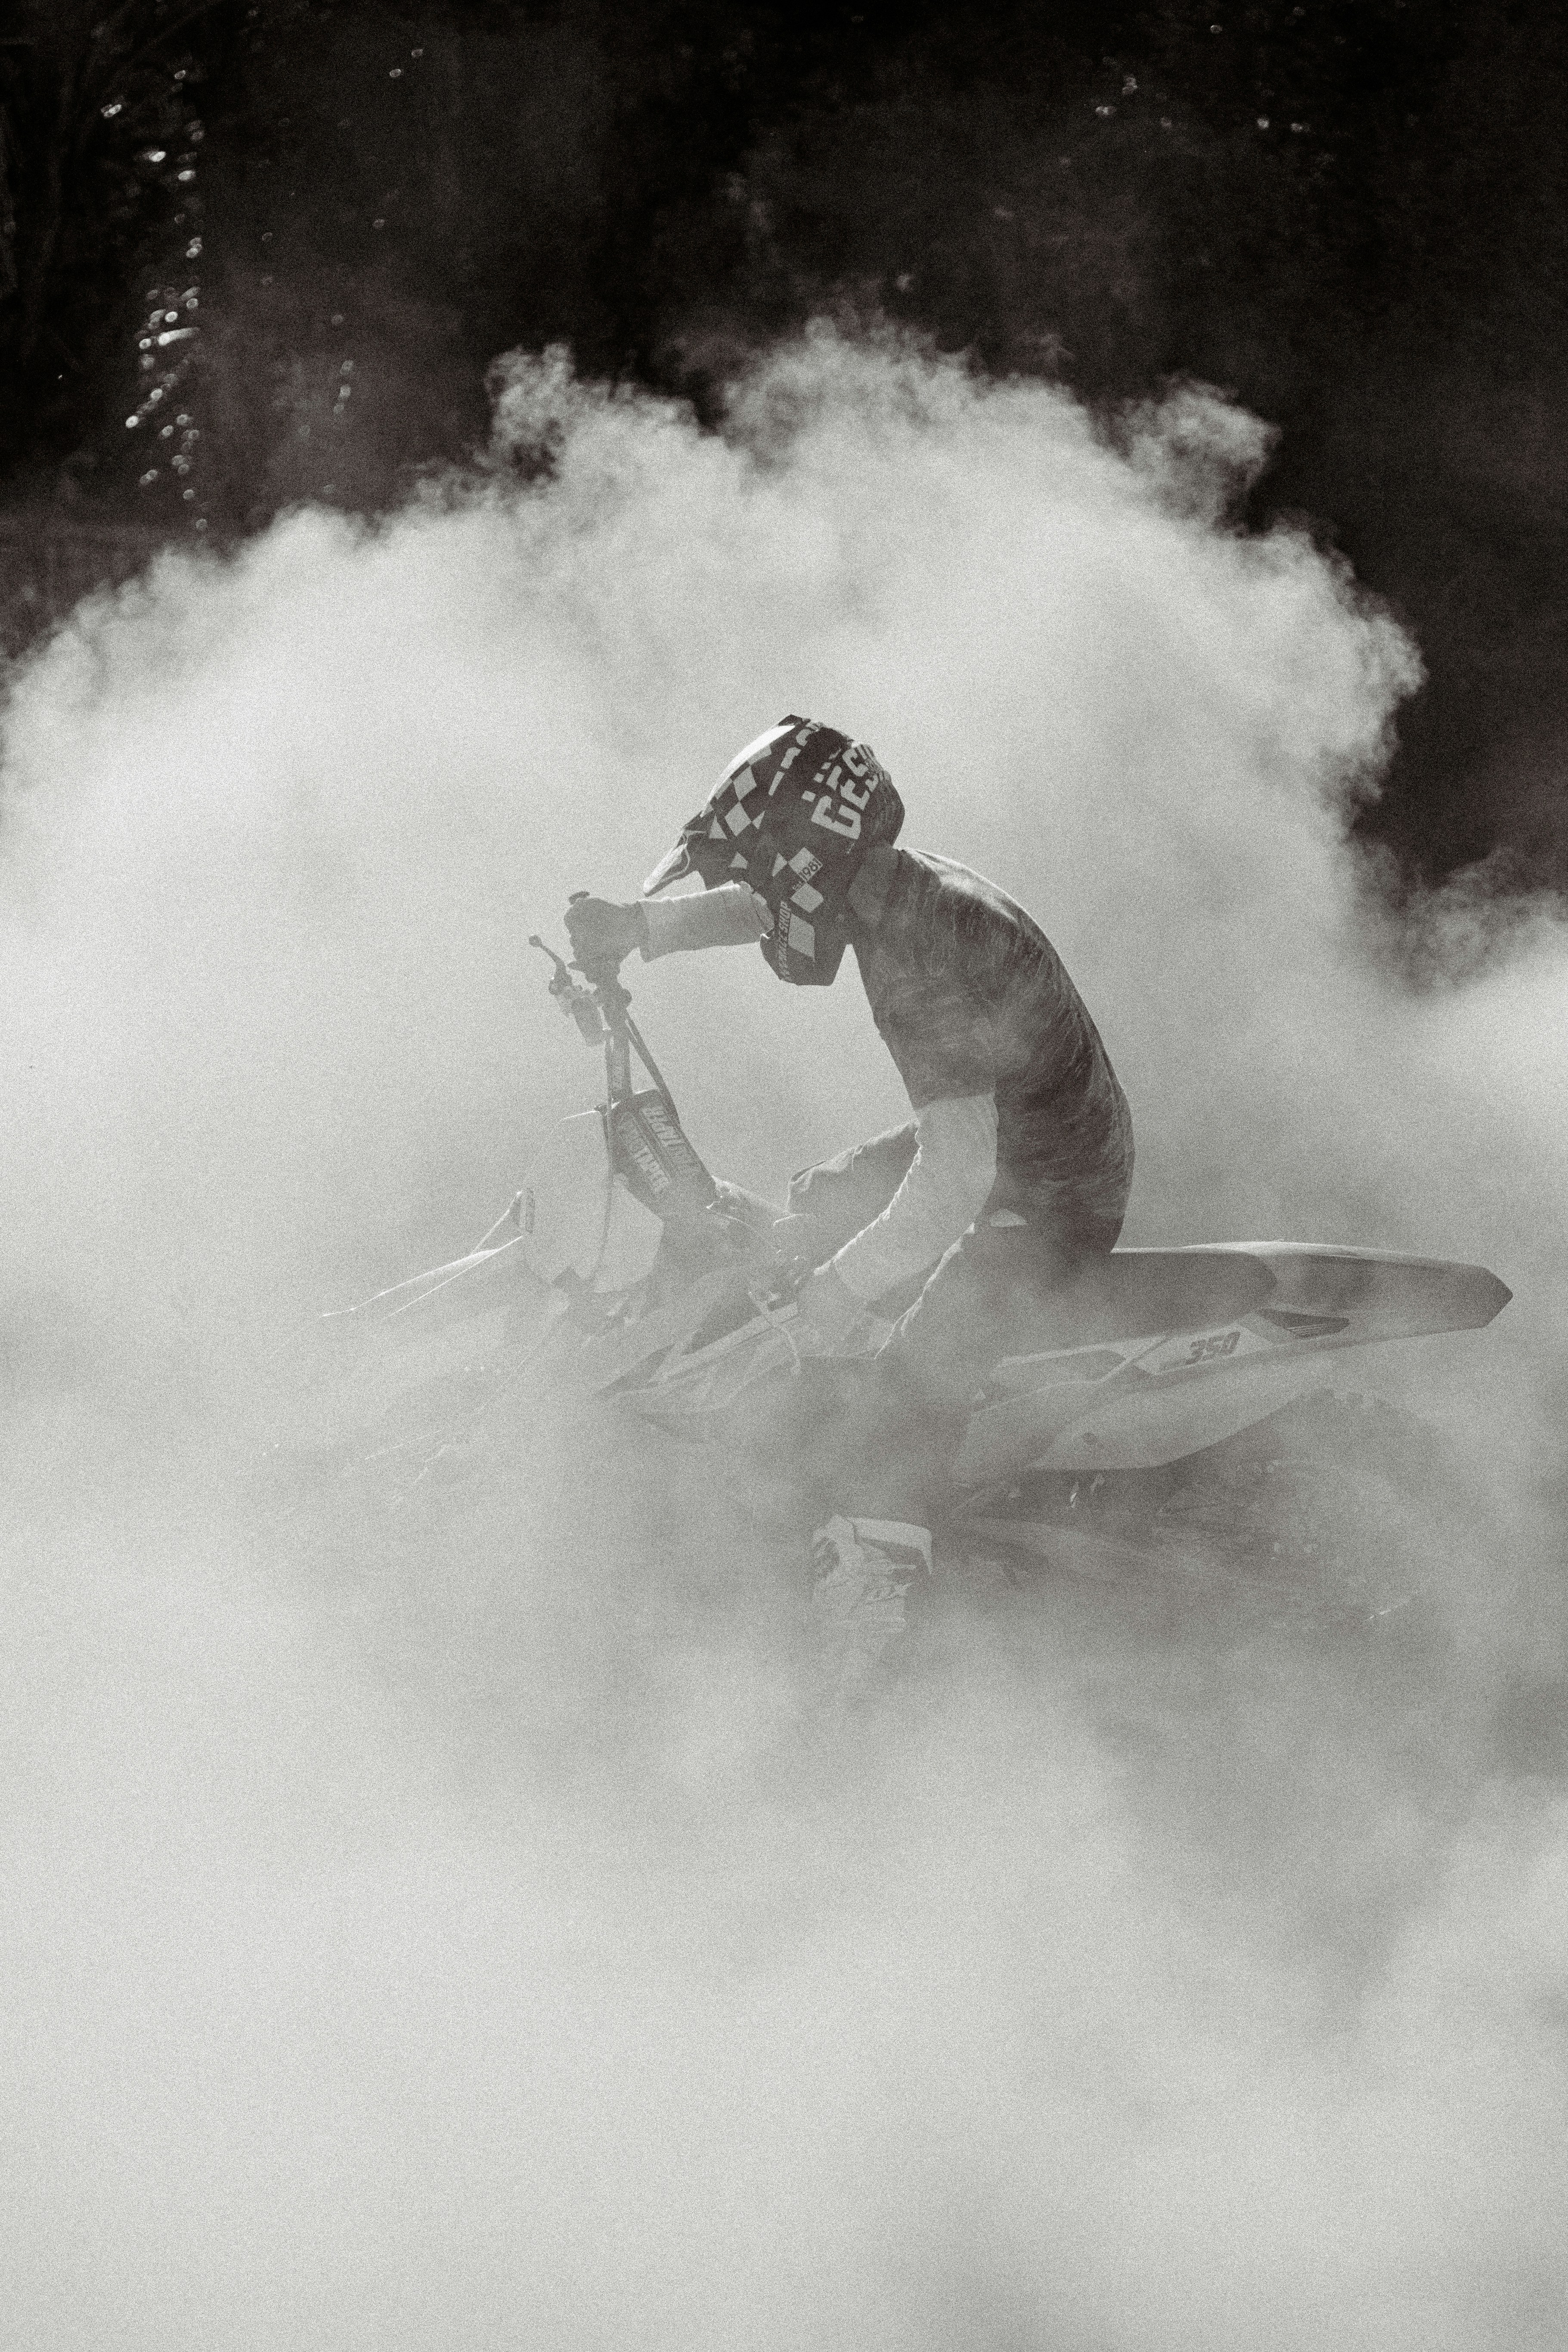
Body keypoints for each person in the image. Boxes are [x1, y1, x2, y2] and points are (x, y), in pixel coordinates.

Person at [565, 715, 1134, 1699]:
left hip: (1050, 1191)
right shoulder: (890, 889)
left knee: (906, 1382)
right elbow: (770, 902)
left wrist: (830, 1300)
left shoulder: (926, 961)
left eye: (768, 865)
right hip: (1018, 1139)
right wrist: (642, 927)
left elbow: (956, 1181)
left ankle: (873, 1645)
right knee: (816, 1205)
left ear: (809, 859)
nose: (763, 890)